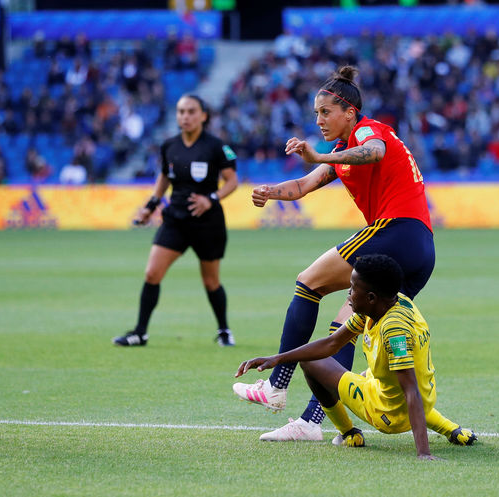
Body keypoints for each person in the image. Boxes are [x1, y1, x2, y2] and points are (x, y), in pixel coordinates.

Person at [232, 66, 436, 441]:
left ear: (350, 112)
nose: (319, 120)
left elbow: (373, 153)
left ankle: (276, 386)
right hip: (421, 249)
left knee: (307, 283)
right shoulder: (342, 151)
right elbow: (303, 185)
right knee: (343, 331)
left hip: (396, 230)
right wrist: (269, 192)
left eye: (325, 112)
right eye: (315, 113)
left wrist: (321, 157)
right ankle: (311, 422)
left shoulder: (368, 131)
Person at [235, 255, 477, 458]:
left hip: (389, 413)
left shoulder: (394, 330)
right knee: (378, 374)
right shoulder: (390, 304)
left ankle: (349, 433)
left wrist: (423, 453)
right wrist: (277, 358)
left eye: (353, 289)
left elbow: (410, 390)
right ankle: (451, 429)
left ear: (371, 297)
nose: (348, 294)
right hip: (424, 396)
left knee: (310, 362)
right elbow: (332, 343)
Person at [113, 94, 239, 347]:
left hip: (207, 223)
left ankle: (224, 330)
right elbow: (164, 178)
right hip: (175, 220)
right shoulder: (169, 145)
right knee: (152, 273)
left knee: (211, 281)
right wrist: (151, 206)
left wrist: (210, 199)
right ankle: (140, 332)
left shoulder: (216, 146)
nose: (185, 116)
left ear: (203, 115)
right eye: (181, 111)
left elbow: (233, 181)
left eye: (191, 111)